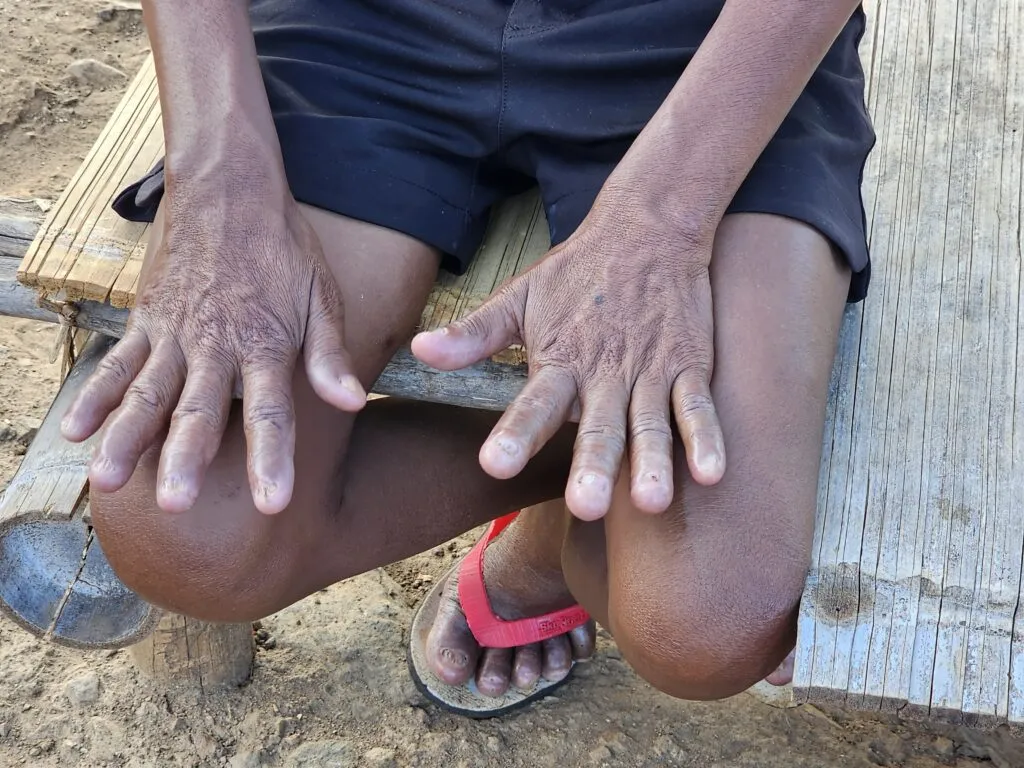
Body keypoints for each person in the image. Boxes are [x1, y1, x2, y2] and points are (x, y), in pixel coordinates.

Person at [61, 0, 874, 715]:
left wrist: (660, 222)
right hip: (361, 25)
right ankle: (578, 454)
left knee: (706, 620)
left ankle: (578, 502)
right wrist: (216, 172)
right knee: (185, 530)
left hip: (703, 39)